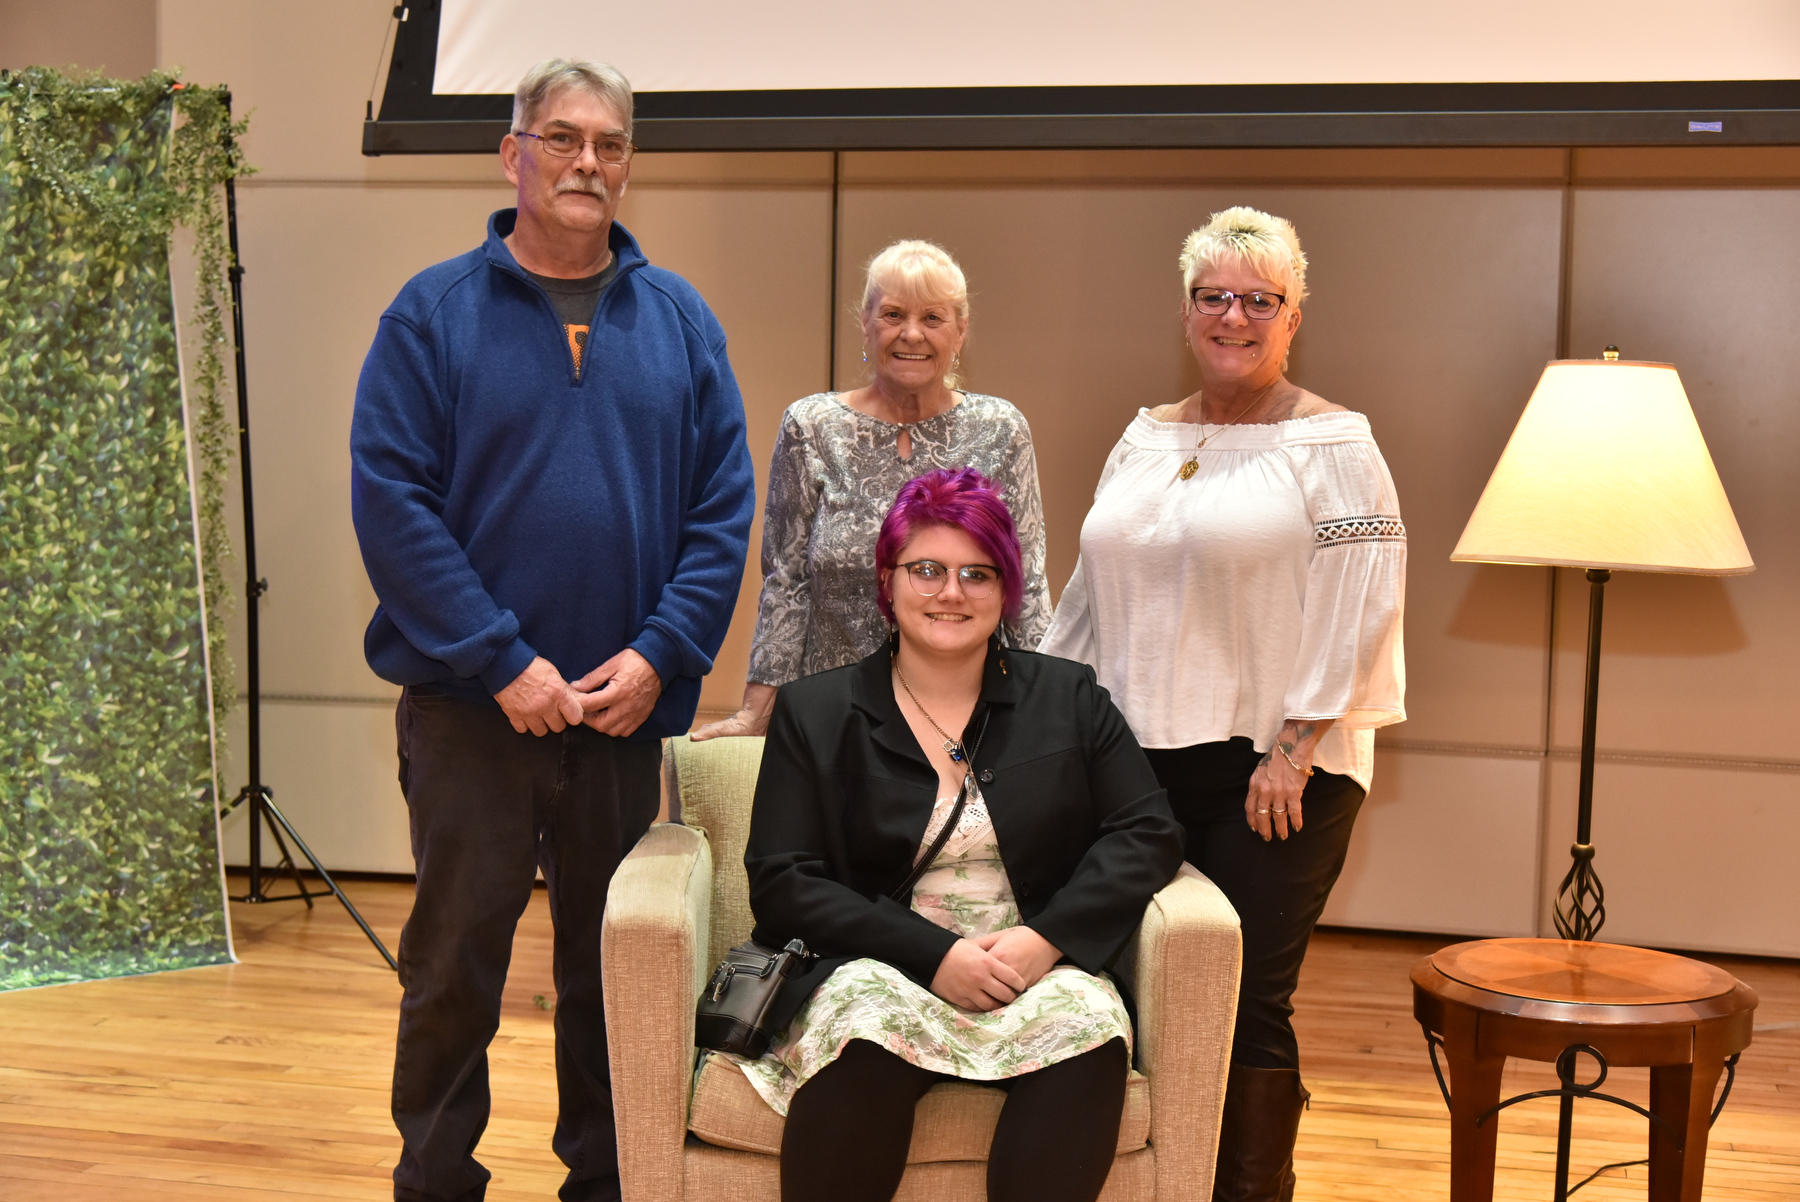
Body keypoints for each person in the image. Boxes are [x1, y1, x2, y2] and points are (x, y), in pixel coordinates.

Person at [349, 59, 755, 1202]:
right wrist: (501, 659)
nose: (588, 162)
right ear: (511, 151)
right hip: (473, 713)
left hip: (624, 712)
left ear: (628, 164)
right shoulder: (431, 316)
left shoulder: (680, 321)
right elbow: (392, 502)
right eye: (563, 138)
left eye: (611, 144)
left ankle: (611, 1180)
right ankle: (434, 1178)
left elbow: (723, 507)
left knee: (615, 969)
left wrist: (665, 650)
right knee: (451, 968)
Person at [1040, 206, 1406, 1202]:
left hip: (1274, 771)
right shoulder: (1145, 436)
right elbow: (1089, 596)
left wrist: (1295, 740)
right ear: (1188, 310)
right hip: (1134, 764)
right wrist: (1030, 718)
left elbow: (1364, 596)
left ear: (1294, 316)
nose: (1234, 315)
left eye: (1259, 298)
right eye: (1215, 296)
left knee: (1244, 999)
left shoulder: (1333, 441)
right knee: (1125, 984)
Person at [737, 468, 1185, 1202]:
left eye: (978, 574)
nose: (952, 593)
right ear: (888, 581)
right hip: (880, 959)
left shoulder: (1068, 696)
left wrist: (1046, 941)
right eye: (928, 571)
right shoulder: (815, 711)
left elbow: (1148, 829)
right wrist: (934, 954)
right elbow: (783, 880)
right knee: (866, 1032)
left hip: (1032, 960)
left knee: (1089, 1036)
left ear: (1006, 590)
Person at [690, 240, 1050, 741]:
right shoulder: (812, 426)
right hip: (834, 720)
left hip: (966, 720)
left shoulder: (1000, 429)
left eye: (933, 318)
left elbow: (1026, 582)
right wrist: (757, 709)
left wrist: (1048, 711)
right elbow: (786, 581)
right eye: (894, 313)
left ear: (961, 330)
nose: (911, 334)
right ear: (865, 322)